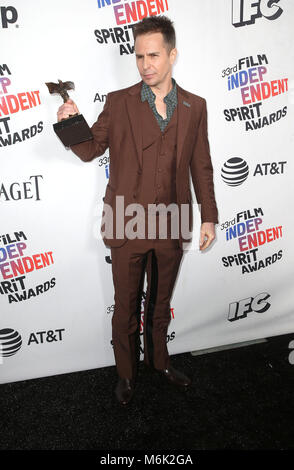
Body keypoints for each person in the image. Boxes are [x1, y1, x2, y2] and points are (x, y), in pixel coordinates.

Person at [57, 15, 218, 406]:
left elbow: (202, 164)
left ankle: (160, 363)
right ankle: (127, 375)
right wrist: (70, 124)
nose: (146, 64)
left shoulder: (196, 107)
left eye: (154, 55)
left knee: (160, 303)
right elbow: (90, 149)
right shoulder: (119, 102)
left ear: (172, 54)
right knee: (126, 305)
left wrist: (209, 215)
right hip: (126, 222)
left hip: (173, 222)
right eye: (139, 56)